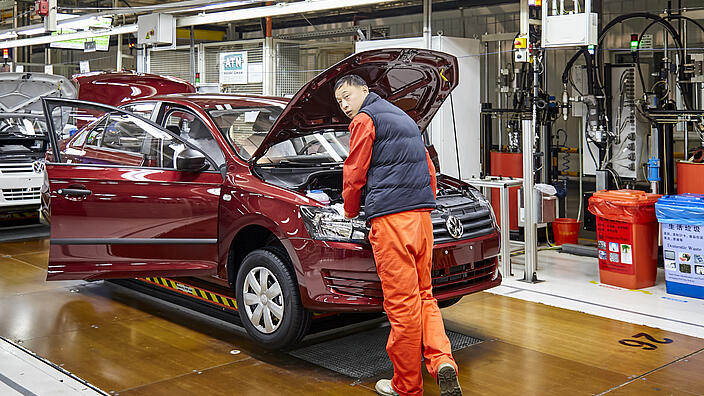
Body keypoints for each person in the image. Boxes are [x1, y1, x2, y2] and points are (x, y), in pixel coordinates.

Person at [335, 74, 462, 396]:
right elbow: (429, 167)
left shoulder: (366, 119)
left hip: (392, 222)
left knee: (402, 305)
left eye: (347, 96)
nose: (345, 105)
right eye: (340, 101)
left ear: (365, 91)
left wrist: (349, 211)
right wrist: (426, 200)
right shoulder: (404, 117)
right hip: (422, 218)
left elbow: (354, 170)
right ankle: (442, 361)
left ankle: (407, 386)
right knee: (424, 296)